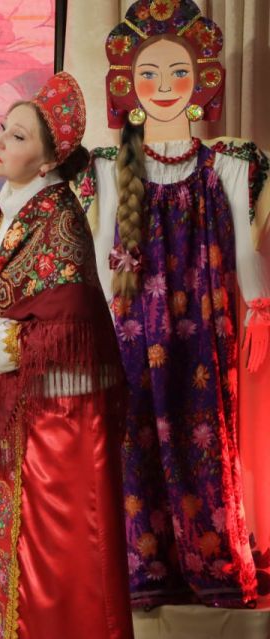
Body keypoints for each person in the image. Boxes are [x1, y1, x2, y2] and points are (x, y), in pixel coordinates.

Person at [80, 0, 270, 608]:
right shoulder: (107, 167)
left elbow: (244, 253)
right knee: (135, 444)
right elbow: (103, 261)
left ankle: (212, 562)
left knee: (205, 439)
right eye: (150, 74)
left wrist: (260, 309)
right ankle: (146, 568)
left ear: (202, 82)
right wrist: (99, 329)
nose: (164, 86)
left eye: (179, 72)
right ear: (128, 86)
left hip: (203, 332)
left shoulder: (230, 164)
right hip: (132, 335)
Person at [0, 72, 133, 639]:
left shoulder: (59, 219)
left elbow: (71, 329)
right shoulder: (6, 209)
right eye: (4, 128)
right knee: (9, 545)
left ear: (50, 161)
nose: (0, 140)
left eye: (19, 136)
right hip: (19, 412)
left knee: (58, 555)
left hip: (59, 422)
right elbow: (17, 297)